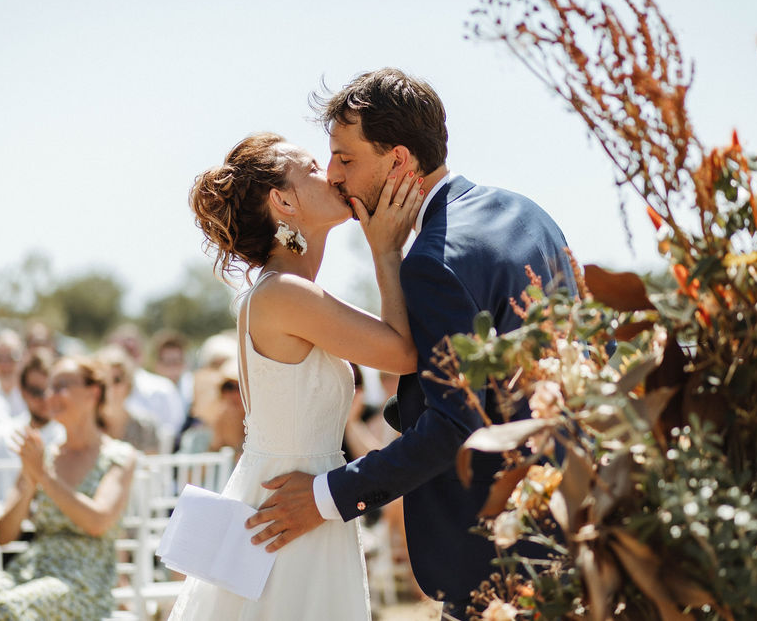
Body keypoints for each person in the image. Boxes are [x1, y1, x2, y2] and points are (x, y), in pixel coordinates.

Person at [245, 68, 576, 619]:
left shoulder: (432, 263)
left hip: (497, 550)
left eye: (345, 159)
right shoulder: (526, 213)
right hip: (575, 517)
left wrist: (328, 496)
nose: (333, 175)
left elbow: (454, 424)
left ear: (398, 161)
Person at [166, 131, 423, 620]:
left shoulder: (286, 290)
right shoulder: (285, 293)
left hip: (302, 500)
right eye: (309, 166)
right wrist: (385, 249)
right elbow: (403, 352)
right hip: (290, 510)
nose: (329, 172)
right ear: (283, 201)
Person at [0, 355, 137, 621]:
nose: (50, 395)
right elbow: (4, 535)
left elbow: (98, 521)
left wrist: (43, 475)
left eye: (62, 385)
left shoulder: (120, 456)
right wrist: (30, 480)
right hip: (33, 568)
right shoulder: (42, 455)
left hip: (85, 579)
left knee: (8, 610)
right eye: (49, 387)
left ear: (93, 393)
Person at [0, 350, 64, 576]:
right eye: (36, 391)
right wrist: (7, 513)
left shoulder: (71, 440)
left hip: (58, 545)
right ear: (22, 391)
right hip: (2, 548)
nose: (44, 398)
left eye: (52, 389)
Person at [96, 345, 162, 454]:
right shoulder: (87, 425)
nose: (110, 386)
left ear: (128, 383)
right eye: (103, 380)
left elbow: (151, 467)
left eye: (117, 379)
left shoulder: (145, 427)